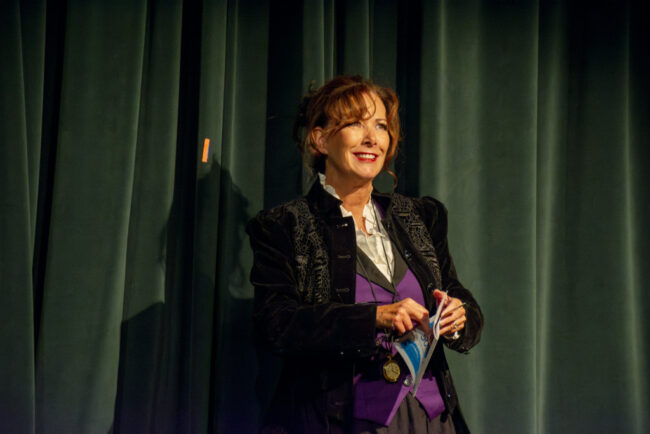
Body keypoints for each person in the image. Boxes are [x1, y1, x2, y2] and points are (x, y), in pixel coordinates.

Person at [247, 76, 483, 434]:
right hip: (342, 420)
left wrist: (458, 315)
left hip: (431, 420)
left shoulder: (419, 217)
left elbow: (459, 296)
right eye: (355, 123)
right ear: (320, 138)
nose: (372, 138)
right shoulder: (285, 226)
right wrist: (374, 317)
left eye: (381, 126)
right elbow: (275, 325)